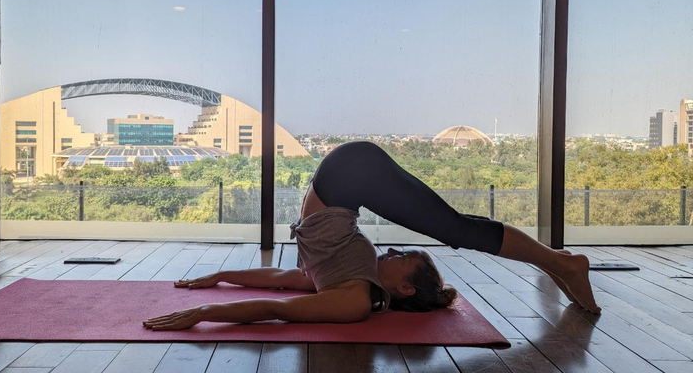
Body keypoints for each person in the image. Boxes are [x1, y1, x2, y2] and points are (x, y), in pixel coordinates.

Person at [144, 141, 600, 331]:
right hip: (350, 174)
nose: (395, 247)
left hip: (348, 174)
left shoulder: (352, 295)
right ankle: (556, 260)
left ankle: (557, 261)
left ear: (403, 286)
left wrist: (209, 302)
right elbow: (282, 288)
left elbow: (278, 295)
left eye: (404, 255)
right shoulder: (355, 284)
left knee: (454, 228)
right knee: (453, 227)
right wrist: (217, 281)